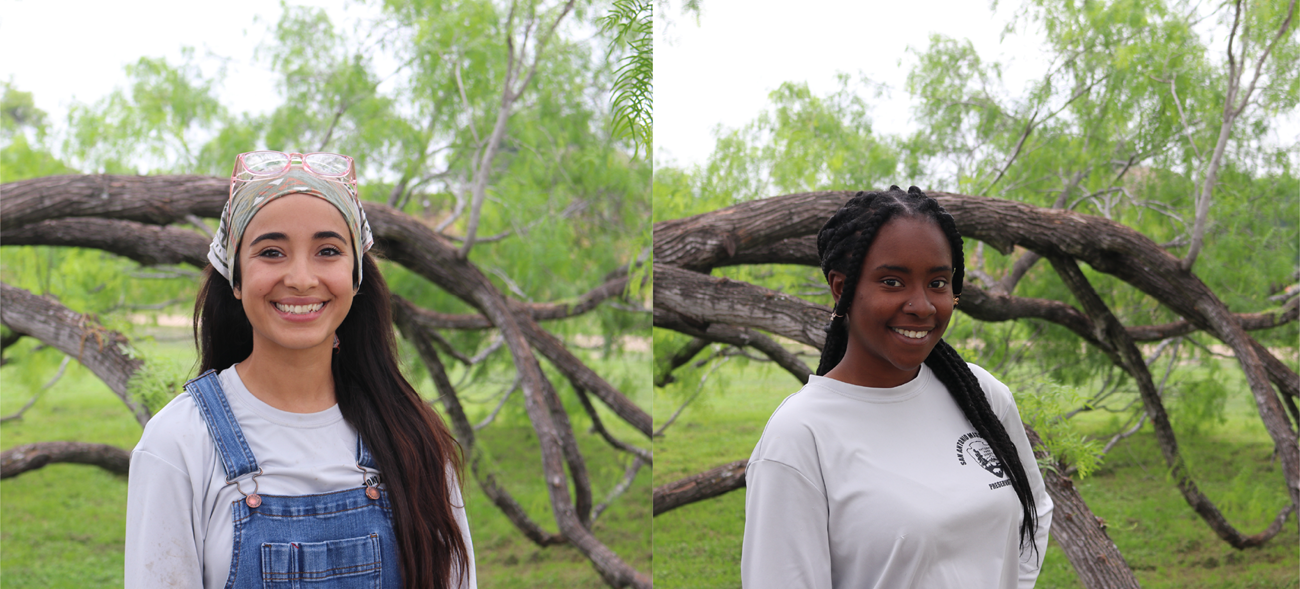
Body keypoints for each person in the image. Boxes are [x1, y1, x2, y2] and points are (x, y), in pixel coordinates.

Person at [125, 151, 475, 589]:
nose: (302, 278)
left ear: (356, 275)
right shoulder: (177, 443)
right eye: (272, 252)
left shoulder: (411, 436)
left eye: (328, 251)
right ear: (235, 277)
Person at [741, 186, 1052, 589]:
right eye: (892, 281)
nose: (922, 305)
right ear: (841, 288)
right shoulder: (800, 436)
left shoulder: (982, 394)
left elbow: (1035, 512)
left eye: (938, 283)